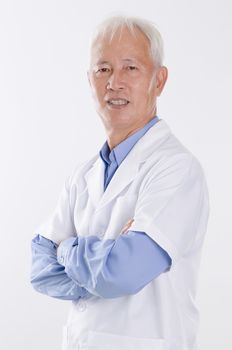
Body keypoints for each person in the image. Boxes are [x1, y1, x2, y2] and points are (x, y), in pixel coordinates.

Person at [30, 15, 210, 350]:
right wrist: (102, 265)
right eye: (103, 69)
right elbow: (40, 268)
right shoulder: (82, 176)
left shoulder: (176, 169)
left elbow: (124, 272)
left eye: (130, 68)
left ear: (159, 80)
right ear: (89, 80)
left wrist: (67, 248)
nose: (115, 83)